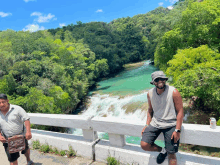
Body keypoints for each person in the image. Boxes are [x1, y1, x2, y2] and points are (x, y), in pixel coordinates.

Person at [141, 71, 184, 165]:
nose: (160, 81)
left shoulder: (174, 92)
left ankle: (168, 151)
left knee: (171, 154)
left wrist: (177, 130)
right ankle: (163, 150)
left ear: (165, 80)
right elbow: (150, 110)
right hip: (156, 123)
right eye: (157, 79)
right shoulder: (150, 93)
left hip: (171, 124)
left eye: (162, 79)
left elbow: (180, 111)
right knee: (144, 145)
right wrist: (147, 124)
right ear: (153, 82)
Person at [0, 94, 34, 165]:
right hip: (7, 140)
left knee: (25, 149)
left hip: (21, 136)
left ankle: (28, 160)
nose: (1, 104)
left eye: (3, 102)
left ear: (7, 101)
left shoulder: (17, 109)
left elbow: (26, 119)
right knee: (12, 160)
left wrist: (28, 132)